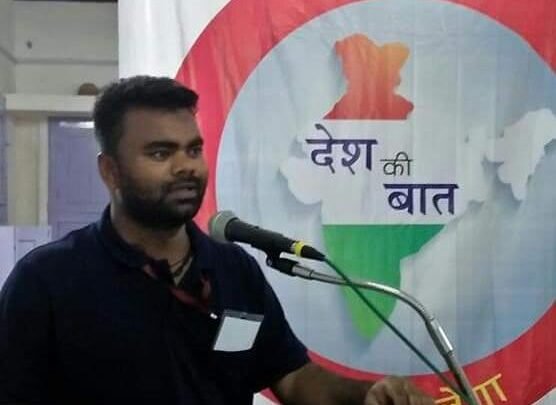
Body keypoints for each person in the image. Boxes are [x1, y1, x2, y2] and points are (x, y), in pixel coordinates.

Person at [0, 76, 435, 405]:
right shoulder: (47, 280)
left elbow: (293, 378)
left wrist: (367, 394)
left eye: (193, 149)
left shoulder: (233, 269)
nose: (185, 167)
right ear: (110, 170)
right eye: (160, 153)